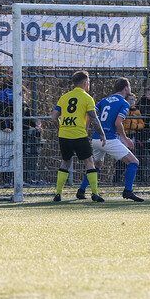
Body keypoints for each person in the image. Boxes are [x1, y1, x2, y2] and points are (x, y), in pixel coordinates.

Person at [76, 77, 144, 202]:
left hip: (96, 139)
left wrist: (85, 130)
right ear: (126, 88)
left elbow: (90, 115)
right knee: (134, 162)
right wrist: (125, 139)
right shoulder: (124, 103)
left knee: (95, 165)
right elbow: (118, 123)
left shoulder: (104, 100)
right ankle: (128, 191)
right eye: (129, 86)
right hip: (109, 140)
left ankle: (81, 190)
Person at [49, 70, 106, 203]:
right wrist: (102, 134)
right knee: (89, 162)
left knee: (65, 162)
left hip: (64, 135)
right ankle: (95, 194)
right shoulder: (87, 98)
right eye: (89, 82)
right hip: (79, 135)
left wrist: (61, 128)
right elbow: (94, 118)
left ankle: (58, 194)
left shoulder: (64, 97)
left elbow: (53, 117)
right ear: (86, 83)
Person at [0, 81, 43, 185]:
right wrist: (5, 127)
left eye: (23, 93)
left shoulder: (25, 105)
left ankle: (23, 179)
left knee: (23, 156)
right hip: (11, 133)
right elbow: (3, 116)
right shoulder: (8, 104)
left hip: (24, 133)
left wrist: (36, 125)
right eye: (19, 92)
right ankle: (8, 180)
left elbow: (28, 118)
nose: (22, 94)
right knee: (9, 155)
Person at [114, 93, 143, 184]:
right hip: (122, 136)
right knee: (121, 157)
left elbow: (142, 124)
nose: (131, 101)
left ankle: (131, 178)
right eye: (129, 99)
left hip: (132, 135)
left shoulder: (137, 111)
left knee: (132, 157)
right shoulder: (123, 109)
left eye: (133, 100)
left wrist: (135, 125)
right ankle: (117, 178)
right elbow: (119, 123)